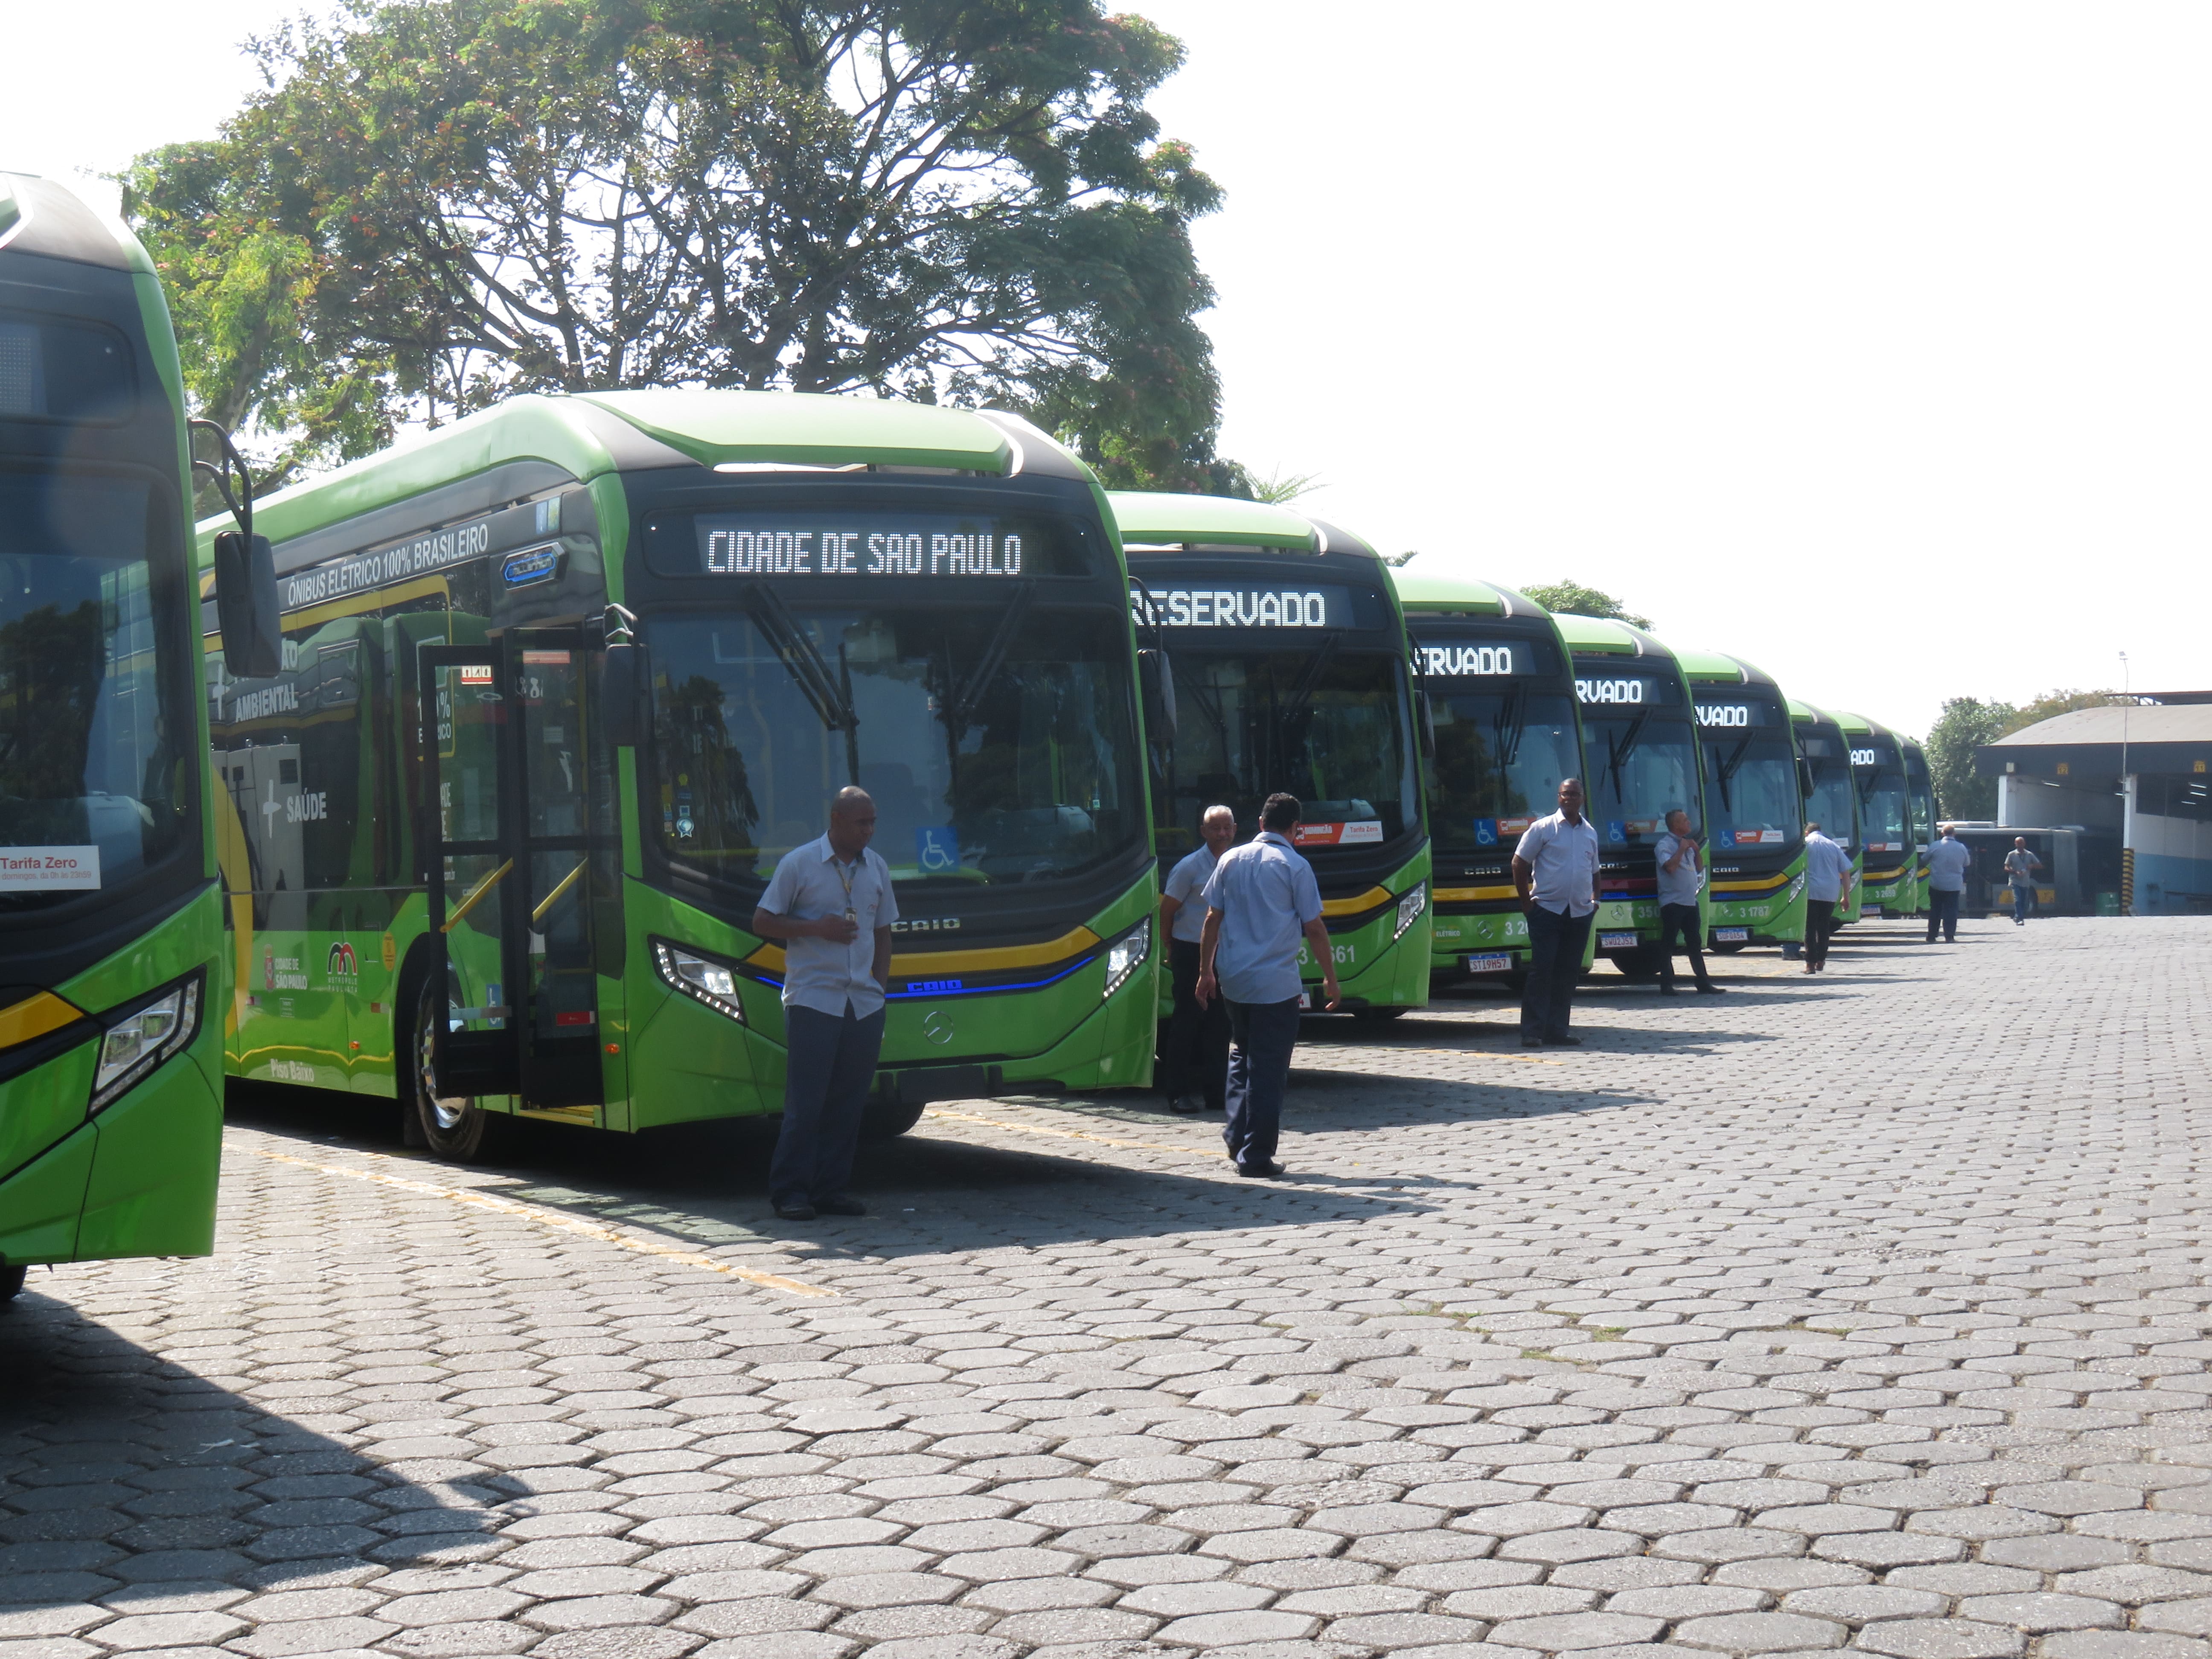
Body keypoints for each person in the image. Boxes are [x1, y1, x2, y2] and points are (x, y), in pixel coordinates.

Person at [751, 786, 896, 1221]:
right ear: (836, 820)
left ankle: (832, 1189)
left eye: (873, 822)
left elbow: (885, 930)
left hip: (863, 1003)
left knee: (849, 1103)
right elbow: (763, 921)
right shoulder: (800, 863)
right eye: (861, 822)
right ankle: (791, 1192)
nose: (869, 830)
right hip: (814, 999)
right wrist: (817, 929)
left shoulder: (877, 867)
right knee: (806, 1102)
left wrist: (880, 986)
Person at [1196, 792, 1341, 1178]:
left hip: (1235, 980)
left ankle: (1235, 1134)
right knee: (1269, 1068)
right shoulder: (1294, 865)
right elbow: (1314, 927)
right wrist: (1330, 977)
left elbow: (1212, 918)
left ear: (1261, 824)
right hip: (1275, 984)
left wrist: (1205, 972)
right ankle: (1256, 1154)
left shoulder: (1229, 859)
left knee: (1243, 1055)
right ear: (1296, 830)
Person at [1159, 805, 1237, 1115]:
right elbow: (1167, 910)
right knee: (1187, 1022)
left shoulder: (1237, 864)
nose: (1222, 834)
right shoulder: (1188, 867)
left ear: (1234, 830)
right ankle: (1178, 1093)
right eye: (1215, 829)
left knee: (1220, 1025)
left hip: (1223, 952)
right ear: (1203, 832)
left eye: (1227, 828)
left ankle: (1217, 1095)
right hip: (1190, 951)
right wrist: (1169, 944)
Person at [1512, 777, 1601, 1047]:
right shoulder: (1542, 829)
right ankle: (1532, 1031)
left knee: (1568, 973)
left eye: (1575, 794)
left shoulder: (1590, 833)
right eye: (1566, 794)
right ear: (1558, 797)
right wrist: (1527, 904)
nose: (1570, 798)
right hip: (1547, 911)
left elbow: (1595, 870)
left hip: (1579, 913)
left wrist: (1596, 900)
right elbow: (1519, 863)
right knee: (1543, 970)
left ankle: (1558, 1030)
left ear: (1583, 798)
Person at [1653, 808, 1724, 996]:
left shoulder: (1688, 844)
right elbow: (1670, 868)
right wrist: (1682, 849)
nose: (1689, 823)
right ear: (1675, 825)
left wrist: (1696, 850)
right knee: (1669, 943)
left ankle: (1703, 982)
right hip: (1672, 902)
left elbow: (1699, 867)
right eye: (1685, 821)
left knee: (1695, 943)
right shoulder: (1665, 845)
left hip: (1690, 902)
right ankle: (1667, 984)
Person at [1801, 819, 1853, 974]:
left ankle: (1810, 964)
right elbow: (1846, 873)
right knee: (1823, 927)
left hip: (1810, 891)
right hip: (1830, 892)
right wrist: (1846, 896)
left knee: (1809, 928)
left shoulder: (1805, 845)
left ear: (1806, 832)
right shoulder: (1833, 846)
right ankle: (1821, 961)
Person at [1924, 824, 1973, 943]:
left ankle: (1932, 936)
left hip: (1937, 883)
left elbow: (1924, 860)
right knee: (1951, 910)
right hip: (1954, 885)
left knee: (1935, 910)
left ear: (1942, 833)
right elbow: (1967, 863)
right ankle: (1949, 936)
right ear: (1954, 833)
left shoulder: (1935, 846)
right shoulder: (1961, 847)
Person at [2004, 836, 2043, 926]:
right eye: (2018, 843)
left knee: (2025, 902)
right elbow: (2006, 867)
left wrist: (2032, 866)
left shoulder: (2029, 855)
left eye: (2021, 843)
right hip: (2015, 880)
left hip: (2025, 882)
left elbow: (2040, 865)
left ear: (2024, 844)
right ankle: (2020, 919)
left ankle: (2017, 917)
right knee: (2017, 900)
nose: (2020, 845)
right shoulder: (2011, 854)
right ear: (2015, 844)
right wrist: (2014, 871)